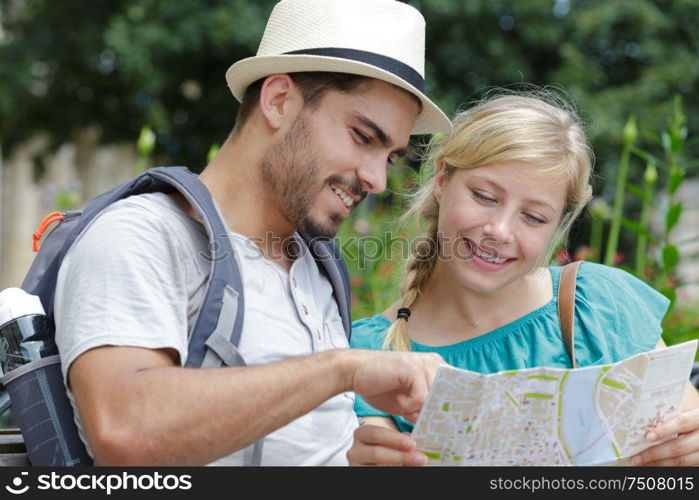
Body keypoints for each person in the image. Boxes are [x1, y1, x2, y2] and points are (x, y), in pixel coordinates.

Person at [53, 0, 452, 466]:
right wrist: (345, 368)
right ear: (278, 100)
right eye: (364, 137)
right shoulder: (143, 235)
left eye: (389, 156)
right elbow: (126, 431)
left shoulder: (315, 266)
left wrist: (350, 459)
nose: (377, 180)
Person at [347, 90, 699, 466]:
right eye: (484, 196)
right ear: (442, 178)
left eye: (533, 218)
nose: (499, 230)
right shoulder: (371, 350)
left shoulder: (599, 305)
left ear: (557, 226)